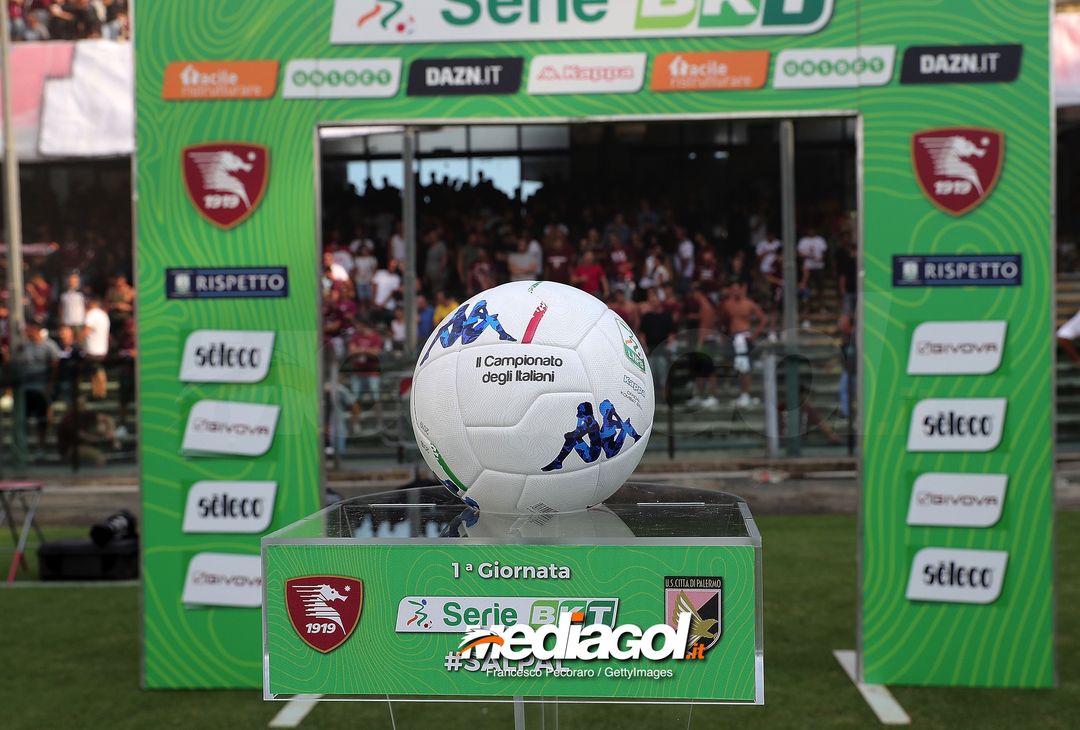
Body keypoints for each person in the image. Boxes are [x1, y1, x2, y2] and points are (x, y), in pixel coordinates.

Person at [13, 322, 60, 458]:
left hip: (41, 388)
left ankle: (41, 447)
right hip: (26, 388)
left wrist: (50, 385)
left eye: (29, 330)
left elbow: (55, 366)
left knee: (42, 420)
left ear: (37, 330)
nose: (27, 333)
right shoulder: (24, 346)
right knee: (22, 419)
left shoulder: (49, 345)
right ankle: (22, 448)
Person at [722, 282, 766, 408]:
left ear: (741, 290)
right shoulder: (728, 304)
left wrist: (755, 335)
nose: (736, 292)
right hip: (733, 337)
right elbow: (723, 320)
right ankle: (743, 394)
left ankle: (745, 394)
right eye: (733, 290)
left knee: (744, 366)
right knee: (739, 366)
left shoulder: (748, 303)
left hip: (744, 336)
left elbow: (763, 319)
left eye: (737, 289)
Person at [346, 319, 383, 436]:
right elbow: (351, 351)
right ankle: (355, 424)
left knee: (376, 397)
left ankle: (379, 423)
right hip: (358, 373)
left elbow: (376, 352)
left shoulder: (375, 337)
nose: (357, 327)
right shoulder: (355, 337)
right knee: (355, 399)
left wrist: (362, 350)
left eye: (358, 325)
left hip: (372, 373)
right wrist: (366, 351)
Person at [82, 297, 110, 400]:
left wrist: (78, 342)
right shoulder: (104, 315)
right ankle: (98, 392)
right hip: (102, 348)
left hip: (93, 349)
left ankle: (99, 393)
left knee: (96, 371)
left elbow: (86, 331)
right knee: (96, 370)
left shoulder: (91, 314)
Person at [796, 226, 828, 313]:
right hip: (808, 267)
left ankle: (821, 307)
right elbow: (799, 254)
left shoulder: (820, 240)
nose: (811, 231)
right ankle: (807, 307)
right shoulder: (803, 241)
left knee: (820, 288)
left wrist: (821, 258)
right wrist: (809, 256)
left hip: (819, 266)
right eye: (810, 230)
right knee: (806, 289)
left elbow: (825, 252)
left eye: (813, 230)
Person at [59, 271, 86, 335]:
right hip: (67, 322)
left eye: (74, 281)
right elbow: (61, 308)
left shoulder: (83, 293)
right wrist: (61, 321)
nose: (72, 282)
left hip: (79, 323)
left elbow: (87, 306)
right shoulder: (64, 293)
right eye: (71, 280)